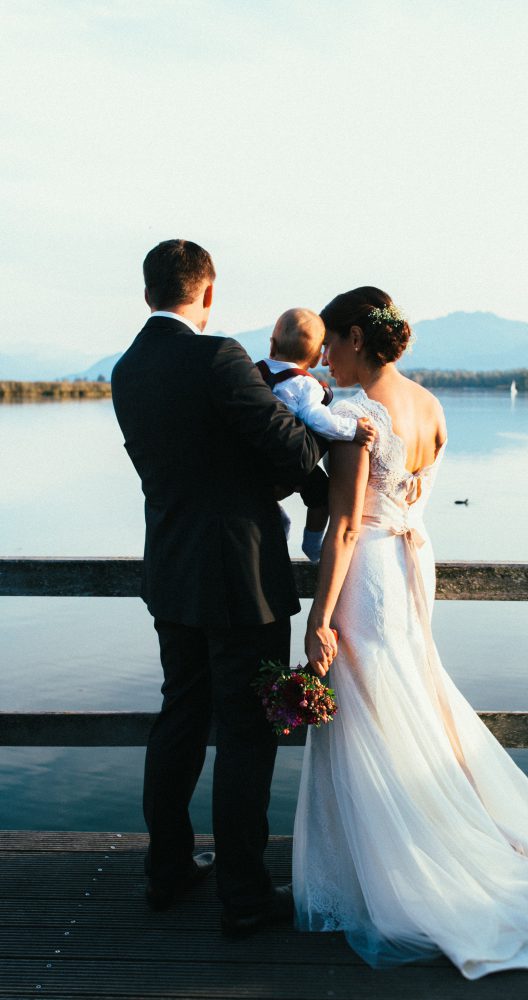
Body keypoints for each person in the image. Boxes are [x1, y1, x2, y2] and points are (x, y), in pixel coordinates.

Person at [292, 286, 528, 977]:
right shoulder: (429, 405)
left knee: (372, 710)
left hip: (369, 568)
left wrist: (317, 617)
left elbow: (345, 525)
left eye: (330, 343)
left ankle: (396, 879)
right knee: (406, 699)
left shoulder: (353, 416)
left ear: (352, 337)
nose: (322, 355)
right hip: (410, 562)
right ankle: (409, 852)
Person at [111, 240, 333, 935]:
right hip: (241, 579)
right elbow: (296, 453)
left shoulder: (127, 369)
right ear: (207, 292)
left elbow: (196, 462)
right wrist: (317, 409)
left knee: (178, 719)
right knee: (245, 732)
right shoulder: (219, 358)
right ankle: (242, 895)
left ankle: (167, 870)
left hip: (172, 571)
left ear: (148, 294)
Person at [257, 307, 376, 562]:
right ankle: (312, 544)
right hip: (289, 458)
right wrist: (351, 430)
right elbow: (316, 418)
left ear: (272, 344)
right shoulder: (305, 383)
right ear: (314, 360)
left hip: (254, 457)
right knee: (321, 495)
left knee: (267, 504)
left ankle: (277, 527)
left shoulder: (254, 372)